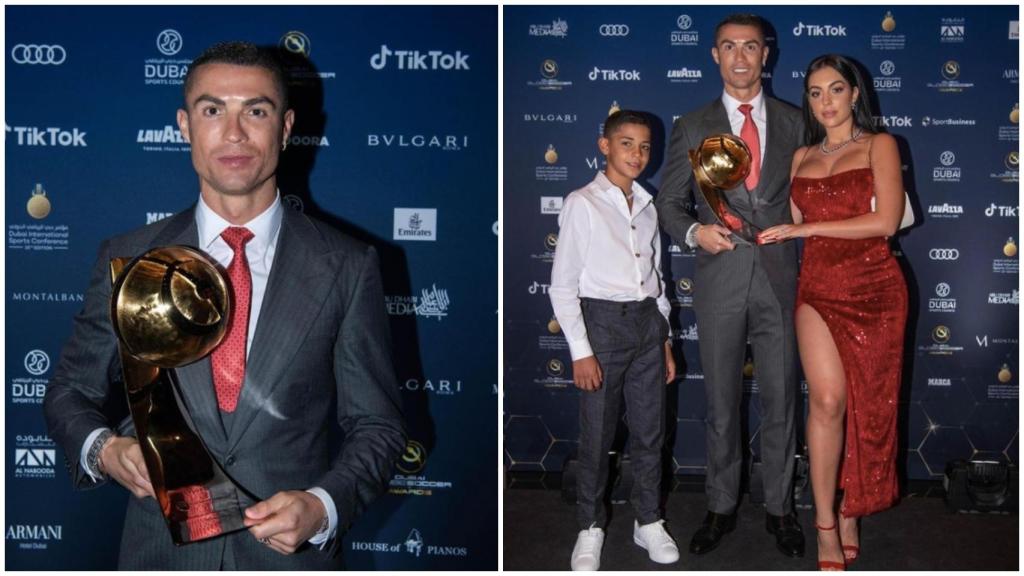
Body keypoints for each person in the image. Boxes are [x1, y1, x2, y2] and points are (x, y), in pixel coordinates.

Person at [43, 41, 405, 570]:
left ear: (285, 127)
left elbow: (378, 427)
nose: (234, 133)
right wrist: (105, 450)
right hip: (159, 554)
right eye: (213, 110)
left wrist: (323, 505)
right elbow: (68, 393)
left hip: (286, 558)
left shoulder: (347, 266)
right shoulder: (127, 257)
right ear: (185, 125)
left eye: (255, 111)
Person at [656, 13, 806, 559]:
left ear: (766, 55)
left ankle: (781, 508)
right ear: (714, 56)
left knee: (783, 399)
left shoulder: (796, 121)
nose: (740, 57)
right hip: (719, 279)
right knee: (720, 401)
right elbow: (670, 202)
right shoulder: (692, 125)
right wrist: (696, 231)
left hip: (781, 278)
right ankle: (720, 505)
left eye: (750, 46)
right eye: (728, 47)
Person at [758, 53, 908, 571]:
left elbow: (885, 221)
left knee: (869, 406)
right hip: (818, 287)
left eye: (836, 89)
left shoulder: (879, 145)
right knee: (825, 401)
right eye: (816, 92)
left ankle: (853, 509)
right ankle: (825, 523)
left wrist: (804, 230)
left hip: (875, 288)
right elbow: (788, 218)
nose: (825, 101)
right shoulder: (800, 156)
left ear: (856, 94)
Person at [549, 110, 679, 571]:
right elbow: (562, 286)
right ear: (604, 146)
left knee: (650, 431)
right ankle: (590, 526)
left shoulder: (648, 203)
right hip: (602, 326)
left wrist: (663, 339)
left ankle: (648, 520)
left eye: (644, 147)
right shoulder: (582, 202)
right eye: (626, 144)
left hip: (647, 326)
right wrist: (581, 351)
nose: (637, 154)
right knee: (598, 433)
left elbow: (656, 279)